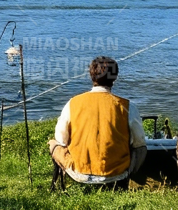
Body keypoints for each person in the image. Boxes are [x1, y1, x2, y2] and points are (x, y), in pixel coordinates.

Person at [49, 56, 147, 189]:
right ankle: (127, 178)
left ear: (91, 76)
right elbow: (139, 142)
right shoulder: (128, 106)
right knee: (141, 148)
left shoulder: (73, 103)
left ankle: (61, 183)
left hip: (79, 172)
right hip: (117, 173)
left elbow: (61, 139)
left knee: (54, 144)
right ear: (115, 78)